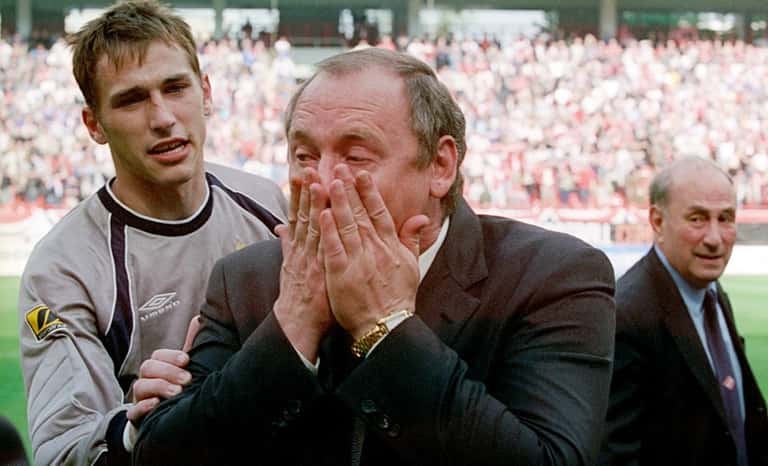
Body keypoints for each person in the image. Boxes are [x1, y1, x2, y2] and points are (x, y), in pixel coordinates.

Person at [134, 48, 615, 465]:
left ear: (440, 166)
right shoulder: (247, 278)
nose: (323, 181)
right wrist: (293, 326)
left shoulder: (550, 277)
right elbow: (163, 455)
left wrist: (384, 327)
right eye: (304, 156)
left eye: (356, 157)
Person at [17, 1, 287, 465]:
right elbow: (60, 450)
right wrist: (135, 426)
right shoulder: (64, 268)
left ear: (206, 92)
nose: (162, 117)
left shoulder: (265, 203)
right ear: (94, 125)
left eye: (175, 88)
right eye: (131, 99)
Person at [599, 157, 768, 466]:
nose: (715, 238)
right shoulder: (626, 316)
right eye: (697, 219)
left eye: (725, 218)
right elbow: (615, 454)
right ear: (657, 222)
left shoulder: (713, 293)